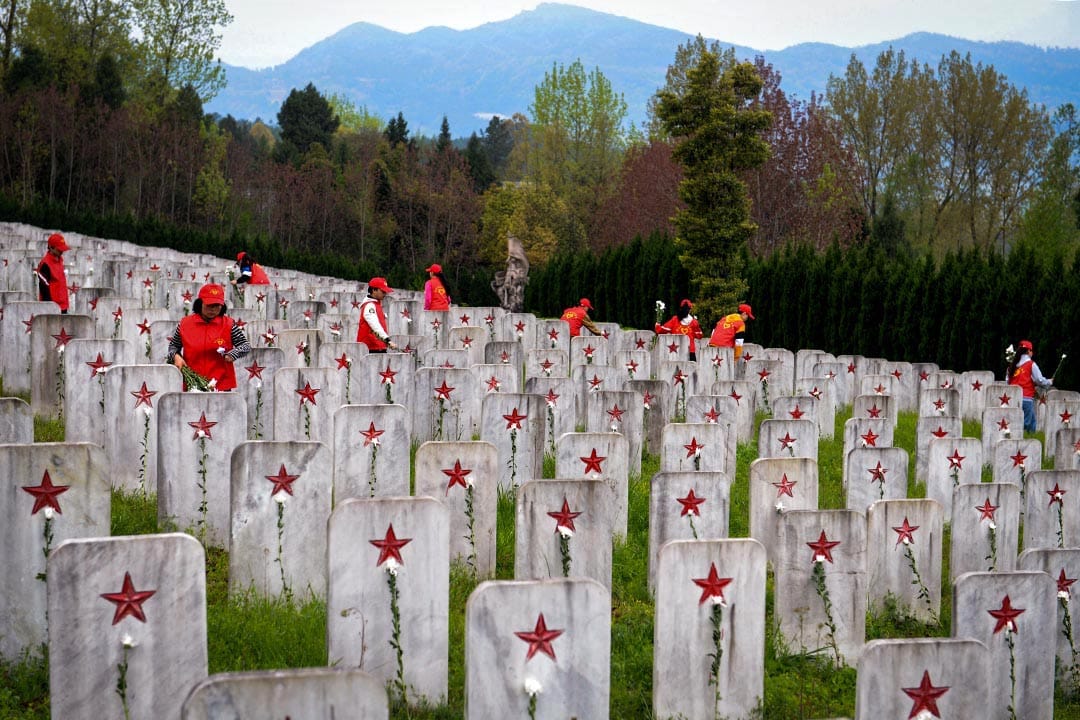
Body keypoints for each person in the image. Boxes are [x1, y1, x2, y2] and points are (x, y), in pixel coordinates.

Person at [167, 283, 251, 391]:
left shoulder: (229, 324)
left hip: (221, 382)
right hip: (192, 381)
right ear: (200, 303)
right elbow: (173, 346)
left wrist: (232, 354)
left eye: (217, 306)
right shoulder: (185, 324)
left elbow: (245, 346)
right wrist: (176, 356)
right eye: (209, 305)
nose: (213, 309)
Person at [1007, 339, 1053, 432]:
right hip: (1026, 398)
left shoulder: (1012, 366)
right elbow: (1039, 380)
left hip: (1012, 398)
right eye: (1032, 350)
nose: (1032, 353)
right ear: (1028, 351)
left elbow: (1007, 381)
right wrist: (1049, 382)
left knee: (1027, 423)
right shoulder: (1031, 364)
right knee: (1027, 426)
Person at [357, 277, 398, 352]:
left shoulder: (376, 304)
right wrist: (387, 340)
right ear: (374, 290)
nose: (385, 293)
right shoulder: (369, 306)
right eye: (383, 291)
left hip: (378, 345)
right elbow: (375, 325)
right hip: (371, 348)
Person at [36, 232, 70, 313]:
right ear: (51, 247)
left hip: (63, 305)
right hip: (52, 308)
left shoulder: (60, 260)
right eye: (59, 249)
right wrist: (50, 308)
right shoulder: (45, 264)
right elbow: (44, 287)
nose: (62, 251)